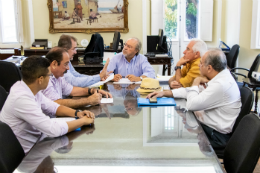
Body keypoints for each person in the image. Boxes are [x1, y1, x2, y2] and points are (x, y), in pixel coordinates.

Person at [147, 48, 241, 148]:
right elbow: (190, 92)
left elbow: (192, 104)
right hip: (209, 128)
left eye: (201, 63)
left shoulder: (221, 84)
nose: (199, 65)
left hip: (216, 135)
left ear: (209, 68)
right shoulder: (218, 77)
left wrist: (196, 81)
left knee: (178, 144)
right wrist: (164, 93)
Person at [0, 56, 95, 153]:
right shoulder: (21, 99)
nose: (50, 79)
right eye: (49, 75)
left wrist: (77, 113)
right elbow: (52, 130)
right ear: (40, 79)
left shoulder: (28, 87)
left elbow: (52, 107)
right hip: (27, 154)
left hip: (37, 141)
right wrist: (82, 121)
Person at [42, 47, 112, 108]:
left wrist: (92, 91)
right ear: (54, 64)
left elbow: (72, 90)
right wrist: (88, 101)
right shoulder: (45, 78)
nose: (68, 68)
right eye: (66, 64)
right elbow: (56, 103)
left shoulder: (59, 77)